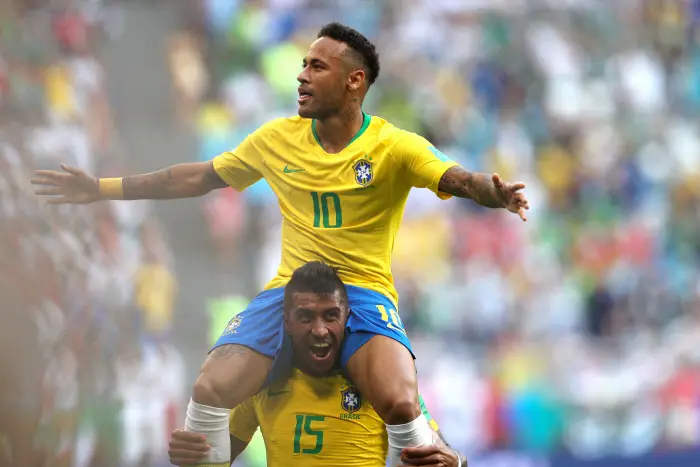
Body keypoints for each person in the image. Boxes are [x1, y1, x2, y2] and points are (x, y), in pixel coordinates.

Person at [31, 22, 528, 466]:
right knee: (208, 387)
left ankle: (418, 458)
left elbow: (457, 178)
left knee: (399, 403)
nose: (302, 76)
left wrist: (495, 192)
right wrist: (101, 188)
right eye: (302, 65)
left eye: (317, 66)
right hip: (291, 294)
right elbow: (197, 179)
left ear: (355, 81)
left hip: (362, 293)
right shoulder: (276, 139)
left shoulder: (393, 146)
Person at [167, 261, 467, 467]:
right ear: (287, 322)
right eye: (306, 316)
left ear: (347, 319)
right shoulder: (262, 383)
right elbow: (213, 456)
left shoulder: (381, 384)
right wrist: (190, 455)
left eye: (330, 316)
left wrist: (455, 461)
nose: (320, 329)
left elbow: (447, 454)